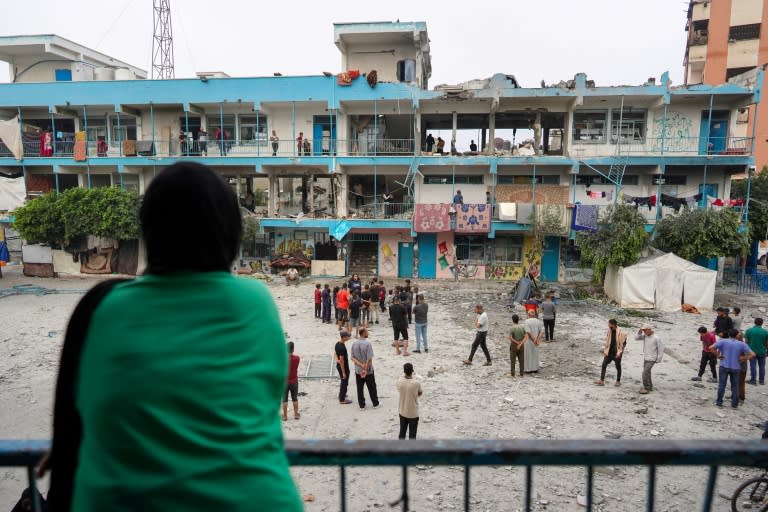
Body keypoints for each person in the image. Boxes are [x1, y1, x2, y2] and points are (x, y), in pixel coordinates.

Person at [42, 161, 302, 511]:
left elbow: (73, 425)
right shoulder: (255, 303)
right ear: (228, 232)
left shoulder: (102, 309)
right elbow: (260, 404)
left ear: (150, 229)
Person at [713, 328, 755, 408]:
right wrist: (744, 358)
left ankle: (719, 402)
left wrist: (718, 355)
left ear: (729, 334)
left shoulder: (723, 341)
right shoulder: (742, 344)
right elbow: (752, 354)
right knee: (735, 386)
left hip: (724, 366)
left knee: (722, 384)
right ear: (737, 335)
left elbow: (711, 347)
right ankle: (734, 404)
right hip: (736, 367)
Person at [351, 328, 380, 409]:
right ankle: (375, 403)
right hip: (368, 371)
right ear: (364, 333)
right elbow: (369, 359)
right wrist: (365, 369)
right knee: (372, 387)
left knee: (359, 388)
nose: (368, 333)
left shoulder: (354, 343)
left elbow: (352, 358)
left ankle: (362, 405)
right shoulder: (368, 344)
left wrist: (360, 365)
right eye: (367, 331)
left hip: (358, 370)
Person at [595, 319, 627, 386]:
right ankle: (601, 380)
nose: (608, 325)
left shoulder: (621, 333)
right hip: (609, 351)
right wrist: (605, 350)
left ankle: (618, 381)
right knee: (604, 364)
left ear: (613, 324)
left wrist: (620, 353)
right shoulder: (609, 331)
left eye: (609, 323)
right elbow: (607, 341)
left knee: (618, 366)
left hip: (617, 352)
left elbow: (624, 343)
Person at [397, 362, 422, 440]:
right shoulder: (416, 383)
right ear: (412, 371)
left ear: (404, 371)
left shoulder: (400, 381)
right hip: (413, 413)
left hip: (402, 411)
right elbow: (420, 393)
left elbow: (399, 388)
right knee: (412, 435)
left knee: (402, 433)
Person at [636, 324, 664, 394]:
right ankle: (650, 386)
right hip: (646, 357)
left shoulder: (656, 338)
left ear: (650, 329)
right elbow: (636, 338)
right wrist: (639, 331)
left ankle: (646, 387)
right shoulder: (645, 336)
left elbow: (661, 349)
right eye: (644, 330)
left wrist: (659, 359)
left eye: (645, 330)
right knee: (648, 373)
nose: (644, 332)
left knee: (644, 373)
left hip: (652, 359)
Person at [746, 318, 768, 385]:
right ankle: (761, 381)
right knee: (762, 366)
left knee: (753, 366)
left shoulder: (749, 330)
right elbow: (767, 343)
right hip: (762, 351)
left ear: (754, 322)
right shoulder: (765, 332)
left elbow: (746, 341)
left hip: (751, 352)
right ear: (762, 323)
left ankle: (753, 380)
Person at [282, 342, 301, 421]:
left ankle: (285, 416)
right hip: (294, 381)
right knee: (295, 398)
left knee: (284, 399)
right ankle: (296, 414)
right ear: (293, 349)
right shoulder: (297, 358)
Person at [335, 331, 353, 404]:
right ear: (344, 337)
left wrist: (337, 360)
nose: (349, 337)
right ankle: (342, 399)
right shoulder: (342, 347)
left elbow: (335, 353)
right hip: (343, 367)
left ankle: (341, 394)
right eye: (348, 336)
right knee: (344, 382)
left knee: (343, 382)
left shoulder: (337, 344)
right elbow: (342, 361)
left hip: (339, 366)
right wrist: (344, 372)